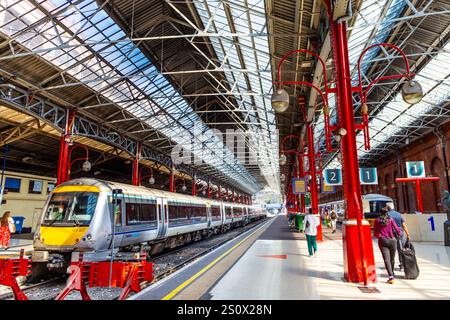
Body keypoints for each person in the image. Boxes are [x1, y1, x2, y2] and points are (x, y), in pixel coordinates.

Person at [373, 208, 402, 284]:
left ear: (380, 213)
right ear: (387, 213)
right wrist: (398, 236)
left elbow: (375, 232)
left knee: (386, 259)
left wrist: (379, 235)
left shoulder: (377, 220)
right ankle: (392, 272)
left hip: (383, 241)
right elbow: (397, 230)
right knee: (392, 258)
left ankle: (391, 276)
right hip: (393, 240)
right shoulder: (391, 220)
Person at [385, 202, 410, 270]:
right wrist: (408, 234)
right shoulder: (399, 214)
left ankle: (391, 266)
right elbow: (404, 226)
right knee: (400, 249)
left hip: (390, 235)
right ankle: (402, 265)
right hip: (400, 234)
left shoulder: (387, 215)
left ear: (387, 208)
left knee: (391, 250)